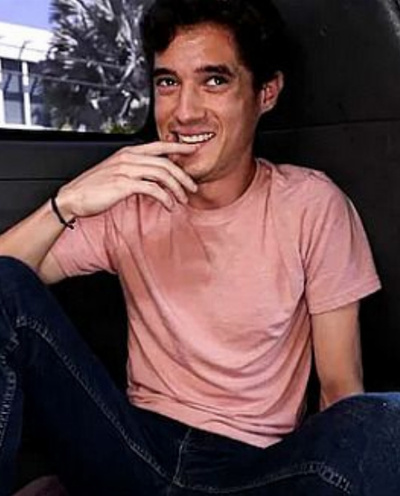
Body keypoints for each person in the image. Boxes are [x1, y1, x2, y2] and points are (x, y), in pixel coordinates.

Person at [0, 0, 397, 494]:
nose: (184, 112)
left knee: (385, 418)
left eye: (214, 80)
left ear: (266, 93)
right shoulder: (133, 201)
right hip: (132, 446)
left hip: (255, 470)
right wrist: (69, 201)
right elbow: (7, 286)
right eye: (168, 82)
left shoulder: (312, 205)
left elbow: (340, 387)